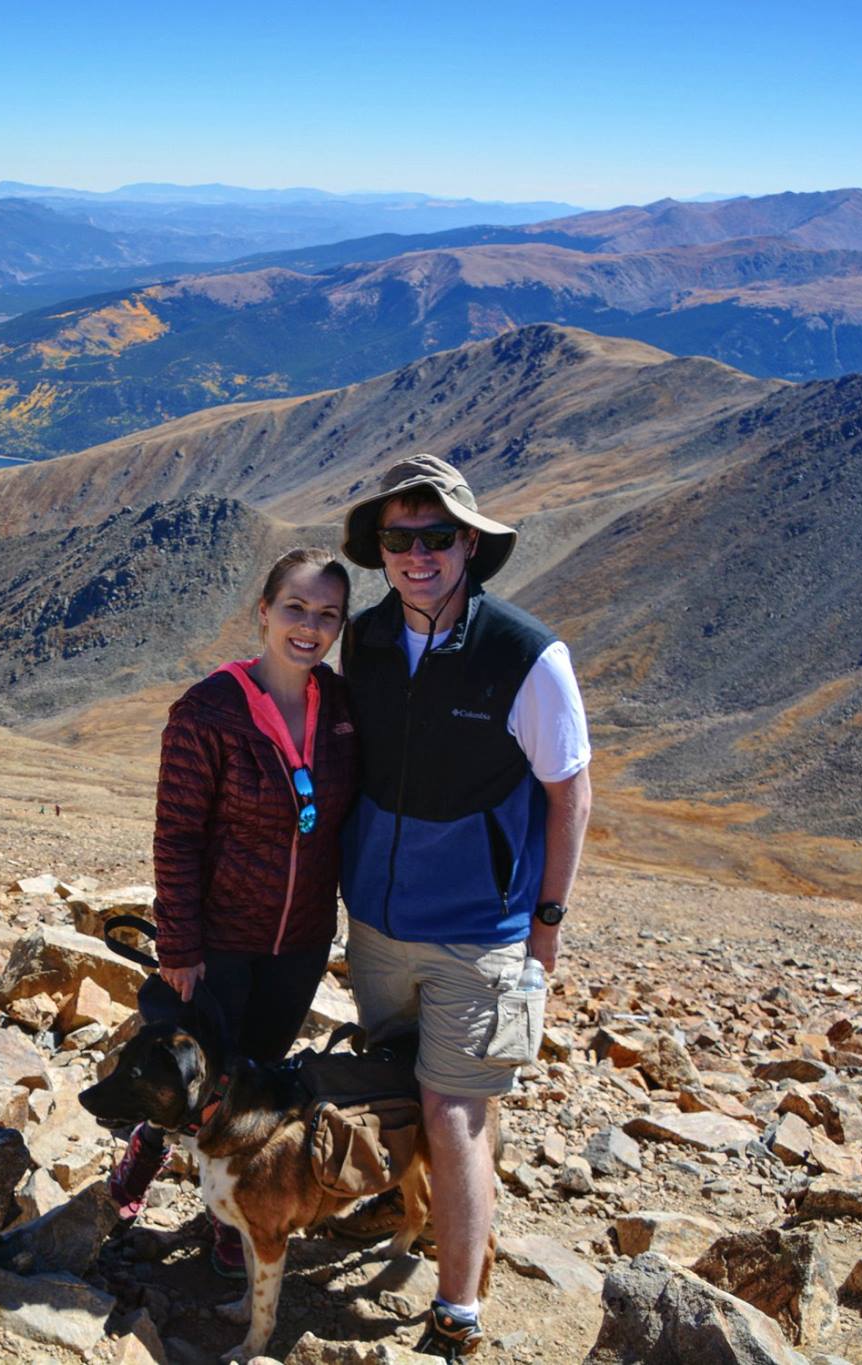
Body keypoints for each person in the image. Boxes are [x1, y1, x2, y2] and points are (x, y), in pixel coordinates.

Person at [337, 454, 591, 1361]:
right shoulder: (364, 640)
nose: (416, 554)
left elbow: (570, 795)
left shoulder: (528, 656)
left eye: (435, 536)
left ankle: (458, 1307)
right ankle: (430, 1211)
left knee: (454, 1109)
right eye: (397, 539)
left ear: (471, 545)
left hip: (480, 932)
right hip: (374, 924)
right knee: (407, 1093)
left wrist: (546, 928)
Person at [110, 547, 359, 1277]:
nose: (308, 627)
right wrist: (180, 942)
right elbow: (177, 833)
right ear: (263, 610)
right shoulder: (210, 710)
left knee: (253, 1082)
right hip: (217, 939)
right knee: (187, 1077)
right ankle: (147, 1149)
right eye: (295, 608)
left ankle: (226, 1211)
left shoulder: (341, 710)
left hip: (300, 938)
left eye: (326, 615)